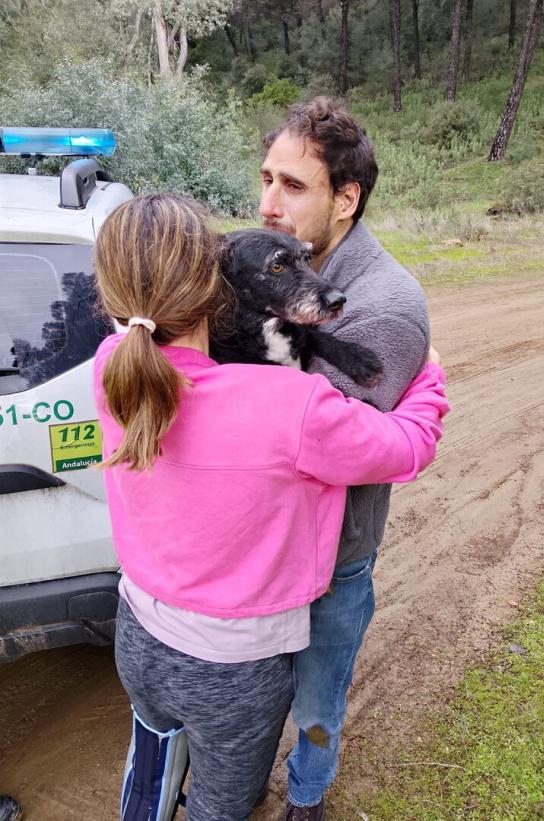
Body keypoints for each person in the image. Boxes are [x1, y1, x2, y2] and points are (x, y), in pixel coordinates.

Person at [94, 193, 448, 821]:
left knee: (151, 766)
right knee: (220, 806)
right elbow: (408, 447)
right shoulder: (290, 405)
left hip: (137, 634)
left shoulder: (113, 368)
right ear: (217, 286)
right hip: (232, 669)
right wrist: (427, 376)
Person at [259, 97, 432, 819]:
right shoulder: (271, 264)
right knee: (254, 690)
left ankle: (307, 795)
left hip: (331, 560)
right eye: (266, 177)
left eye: (293, 186)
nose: (268, 202)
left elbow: (314, 442)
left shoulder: (385, 303)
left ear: (346, 199)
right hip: (261, 549)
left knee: (319, 698)